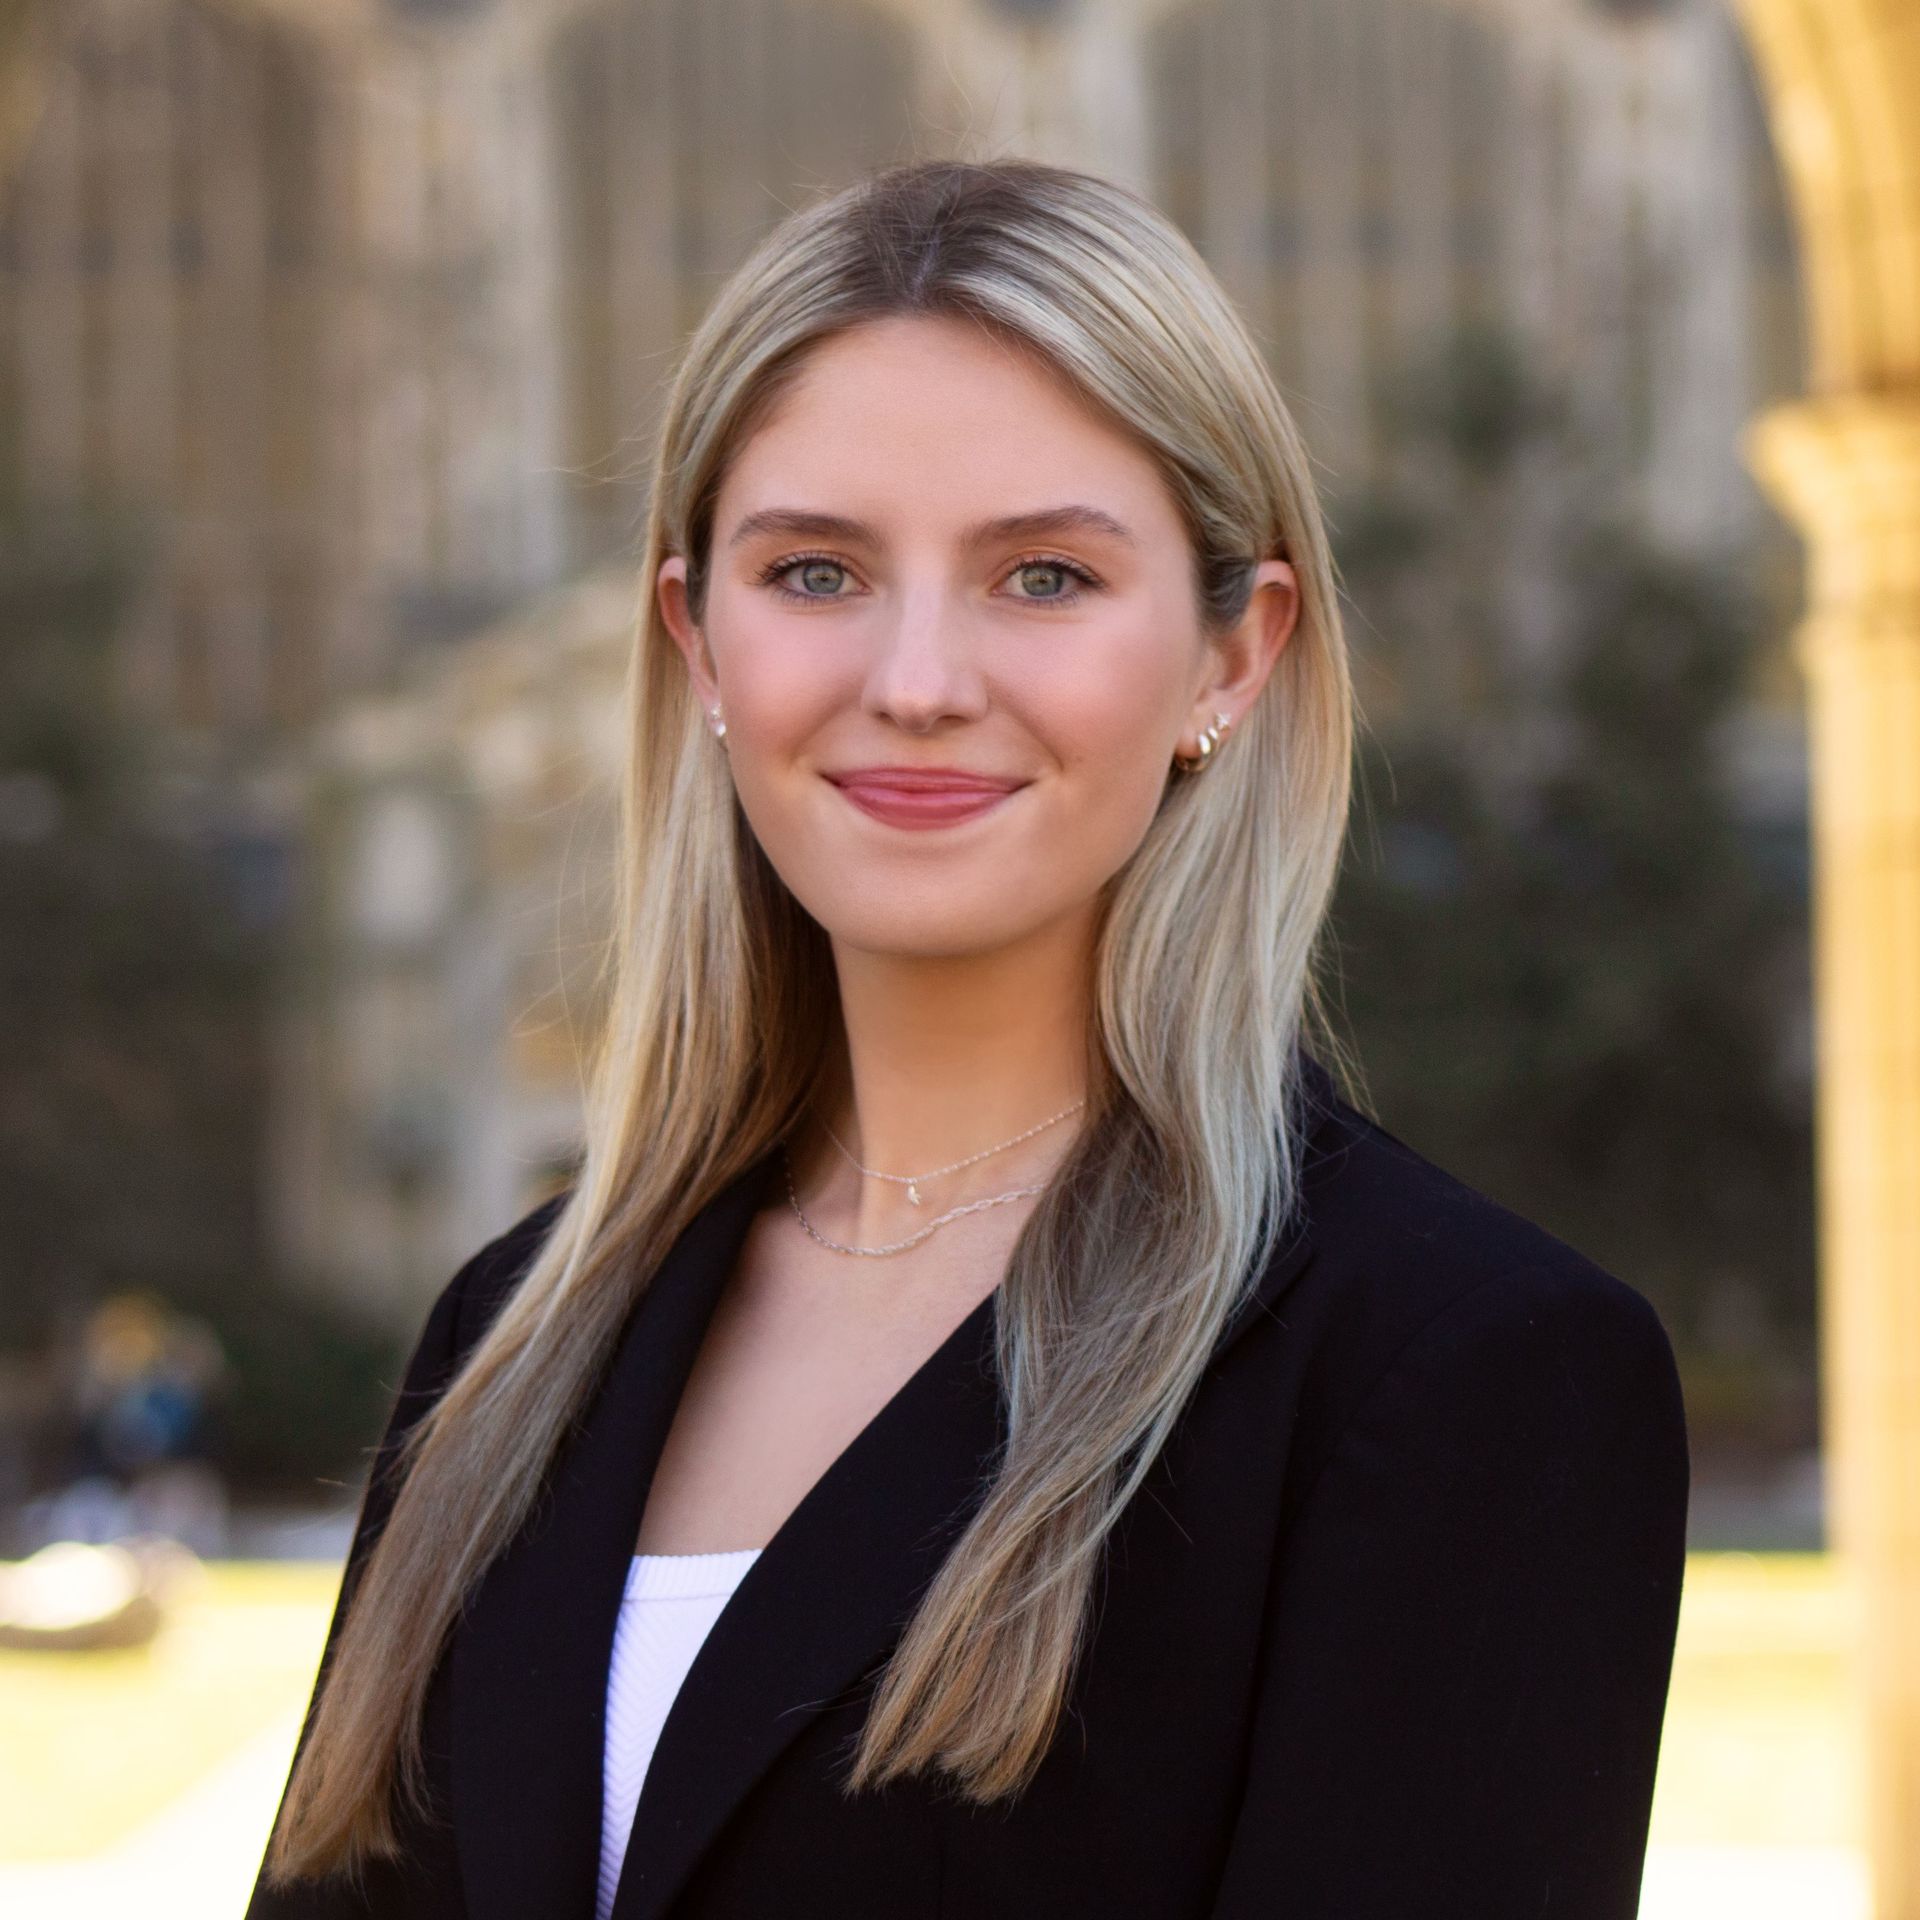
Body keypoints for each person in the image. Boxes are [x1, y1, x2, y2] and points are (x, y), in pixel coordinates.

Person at [246, 158, 1689, 1920]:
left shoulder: (1461, 1374)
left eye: (1047, 578)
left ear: (1237, 654)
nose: (918, 677)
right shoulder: (513, 1344)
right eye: (820, 570)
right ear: (698, 637)